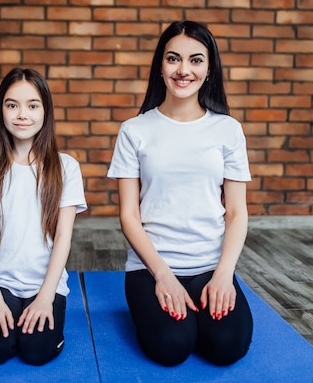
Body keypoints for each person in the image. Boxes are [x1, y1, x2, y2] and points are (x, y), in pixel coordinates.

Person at [107, 21, 253, 367]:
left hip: (209, 265)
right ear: (160, 66)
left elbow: (236, 212)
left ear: (209, 69)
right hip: (151, 267)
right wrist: (162, 274)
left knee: (227, 346)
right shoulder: (134, 130)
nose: (183, 70)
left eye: (196, 60)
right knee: (173, 346)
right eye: (173, 59)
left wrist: (223, 275)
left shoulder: (228, 130)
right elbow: (129, 215)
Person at [0, 68, 87, 366]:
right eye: (12, 105)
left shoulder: (65, 167)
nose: (22, 114)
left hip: (46, 283)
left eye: (32, 105)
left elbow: (63, 237)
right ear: (1, 111)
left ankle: (45, 315)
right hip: (3, 283)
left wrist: (46, 296)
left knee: (37, 351)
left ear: (45, 111)